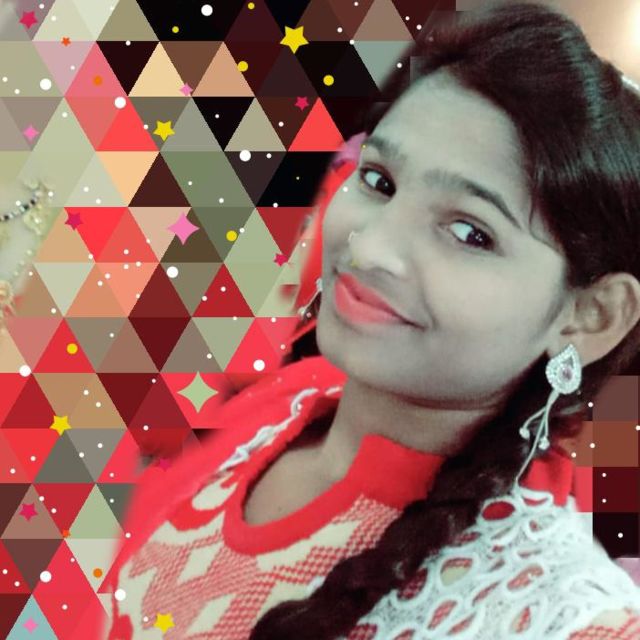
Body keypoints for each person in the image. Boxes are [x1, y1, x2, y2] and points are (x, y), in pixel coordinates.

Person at [100, 2, 640, 638]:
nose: (372, 248)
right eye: (379, 181)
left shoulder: (554, 616)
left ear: (590, 316)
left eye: (470, 232)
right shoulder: (280, 407)